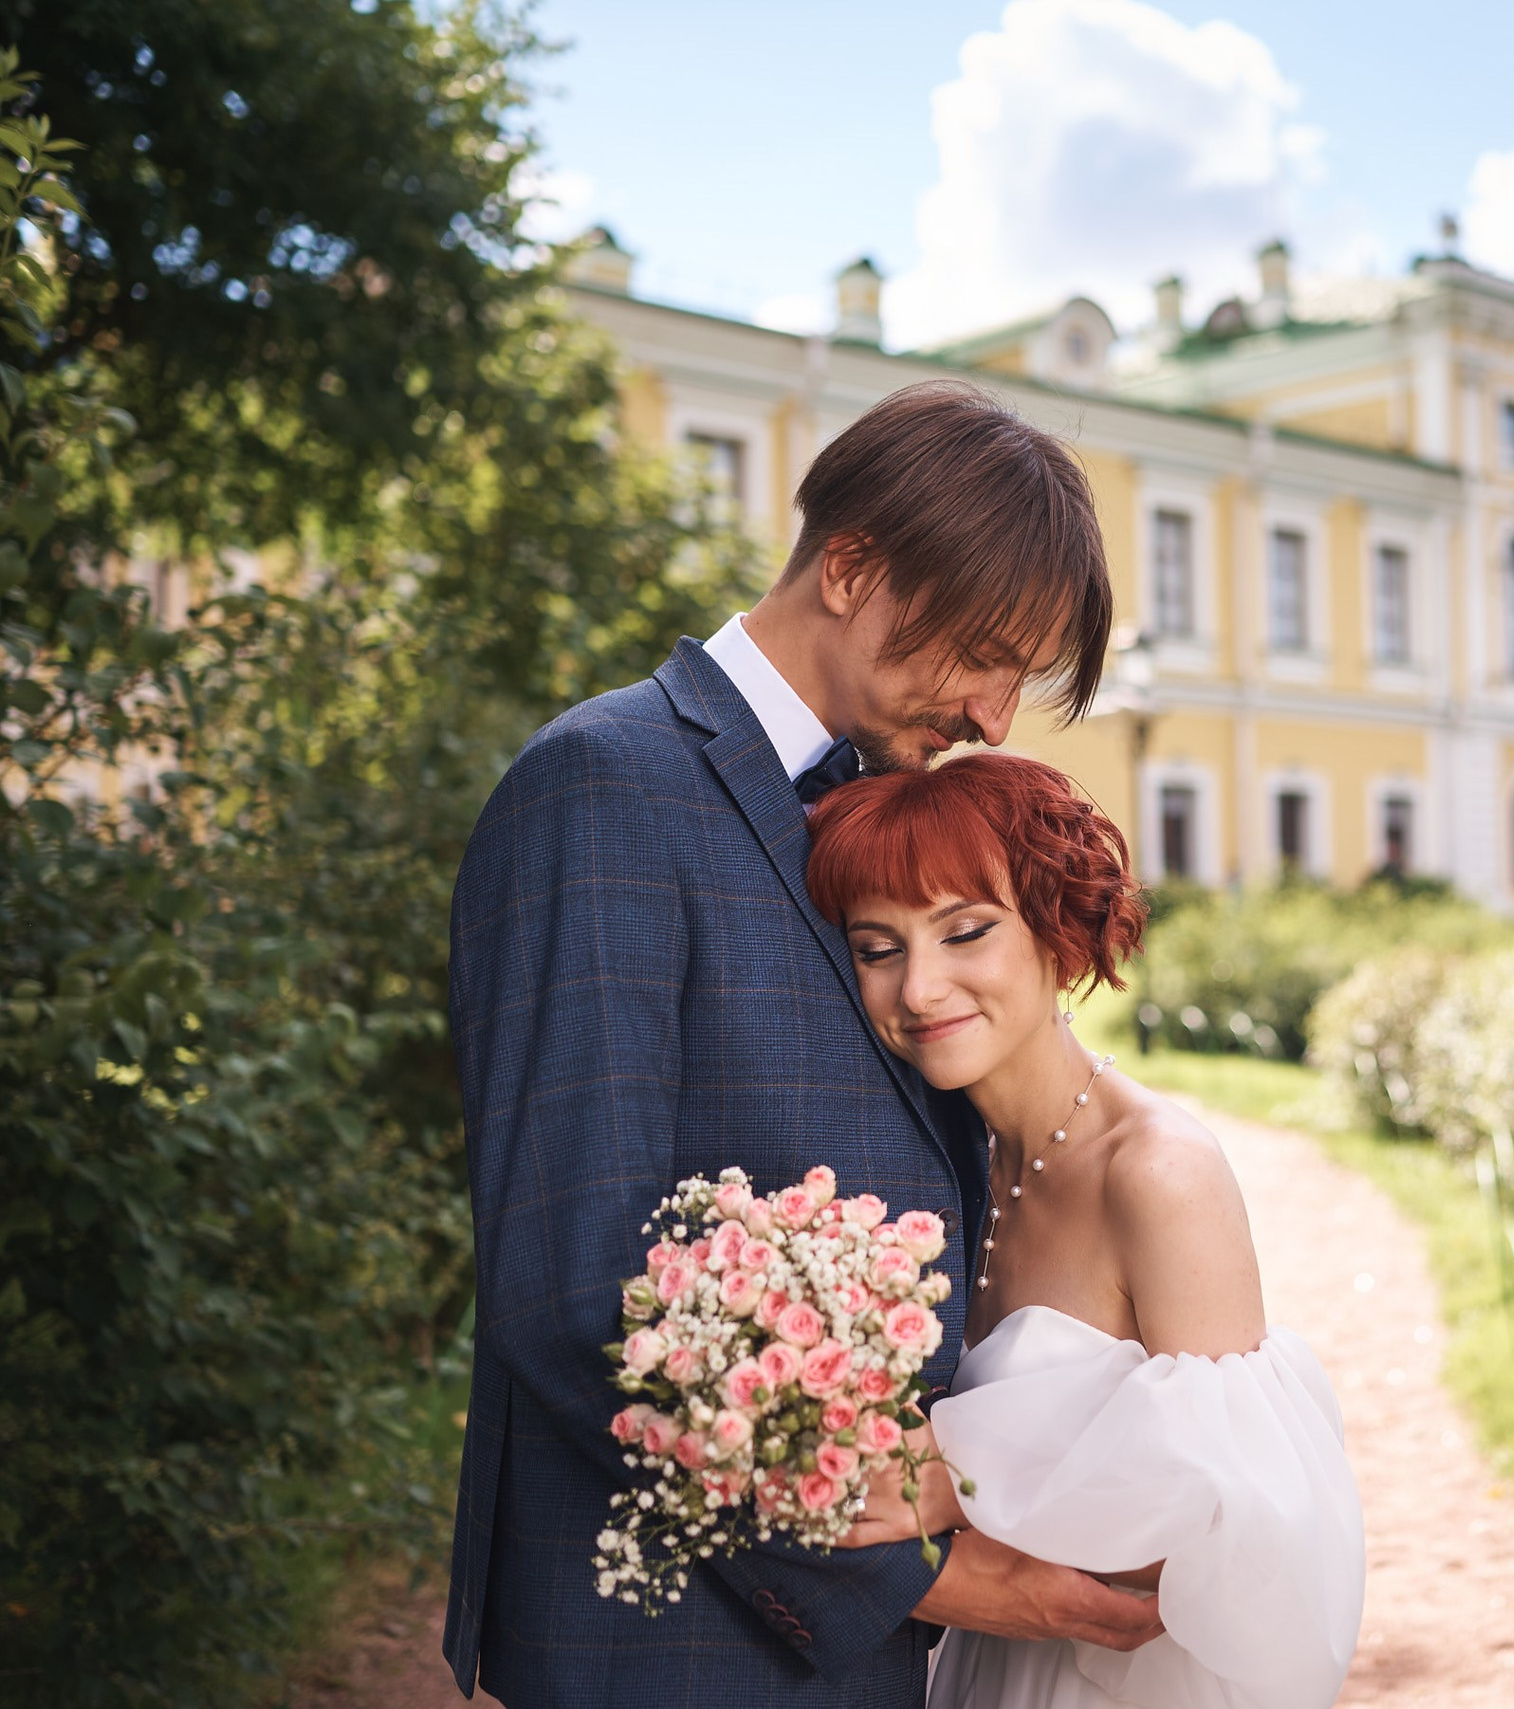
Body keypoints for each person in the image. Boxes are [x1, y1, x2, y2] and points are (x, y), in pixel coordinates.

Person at [442, 382, 1164, 1709]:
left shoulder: (875, 809)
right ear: (851, 569)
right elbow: (570, 1283)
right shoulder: (600, 785)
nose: (994, 716)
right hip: (669, 1642)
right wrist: (921, 1574)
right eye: (987, 655)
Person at [804, 753, 1365, 1709]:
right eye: (878, 947)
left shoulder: (1156, 1172)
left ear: (1056, 929)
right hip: (990, 1667)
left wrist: (956, 1482)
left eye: (965, 931)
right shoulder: (935, 1170)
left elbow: (1243, 1538)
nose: (920, 988)